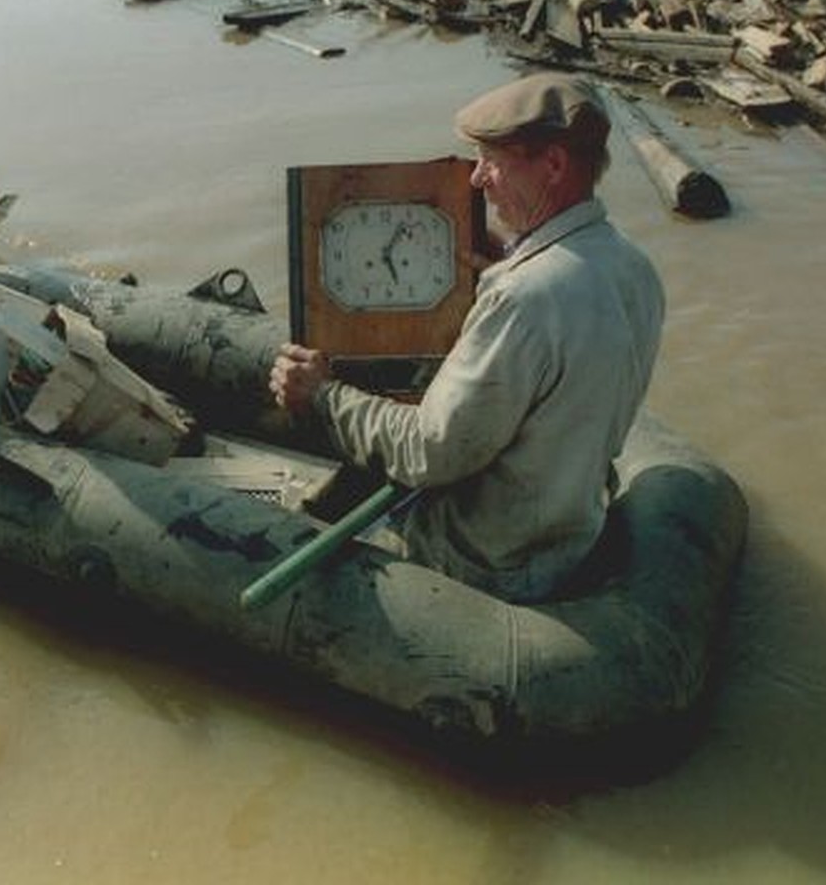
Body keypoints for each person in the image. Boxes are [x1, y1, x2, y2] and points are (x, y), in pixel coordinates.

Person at [269, 72, 665, 602]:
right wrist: (511, 262)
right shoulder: (632, 268)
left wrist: (323, 396)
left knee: (291, 526)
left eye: (492, 161)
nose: (476, 179)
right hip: (567, 537)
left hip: (486, 563)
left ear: (553, 165)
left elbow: (431, 454)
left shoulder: (525, 299)